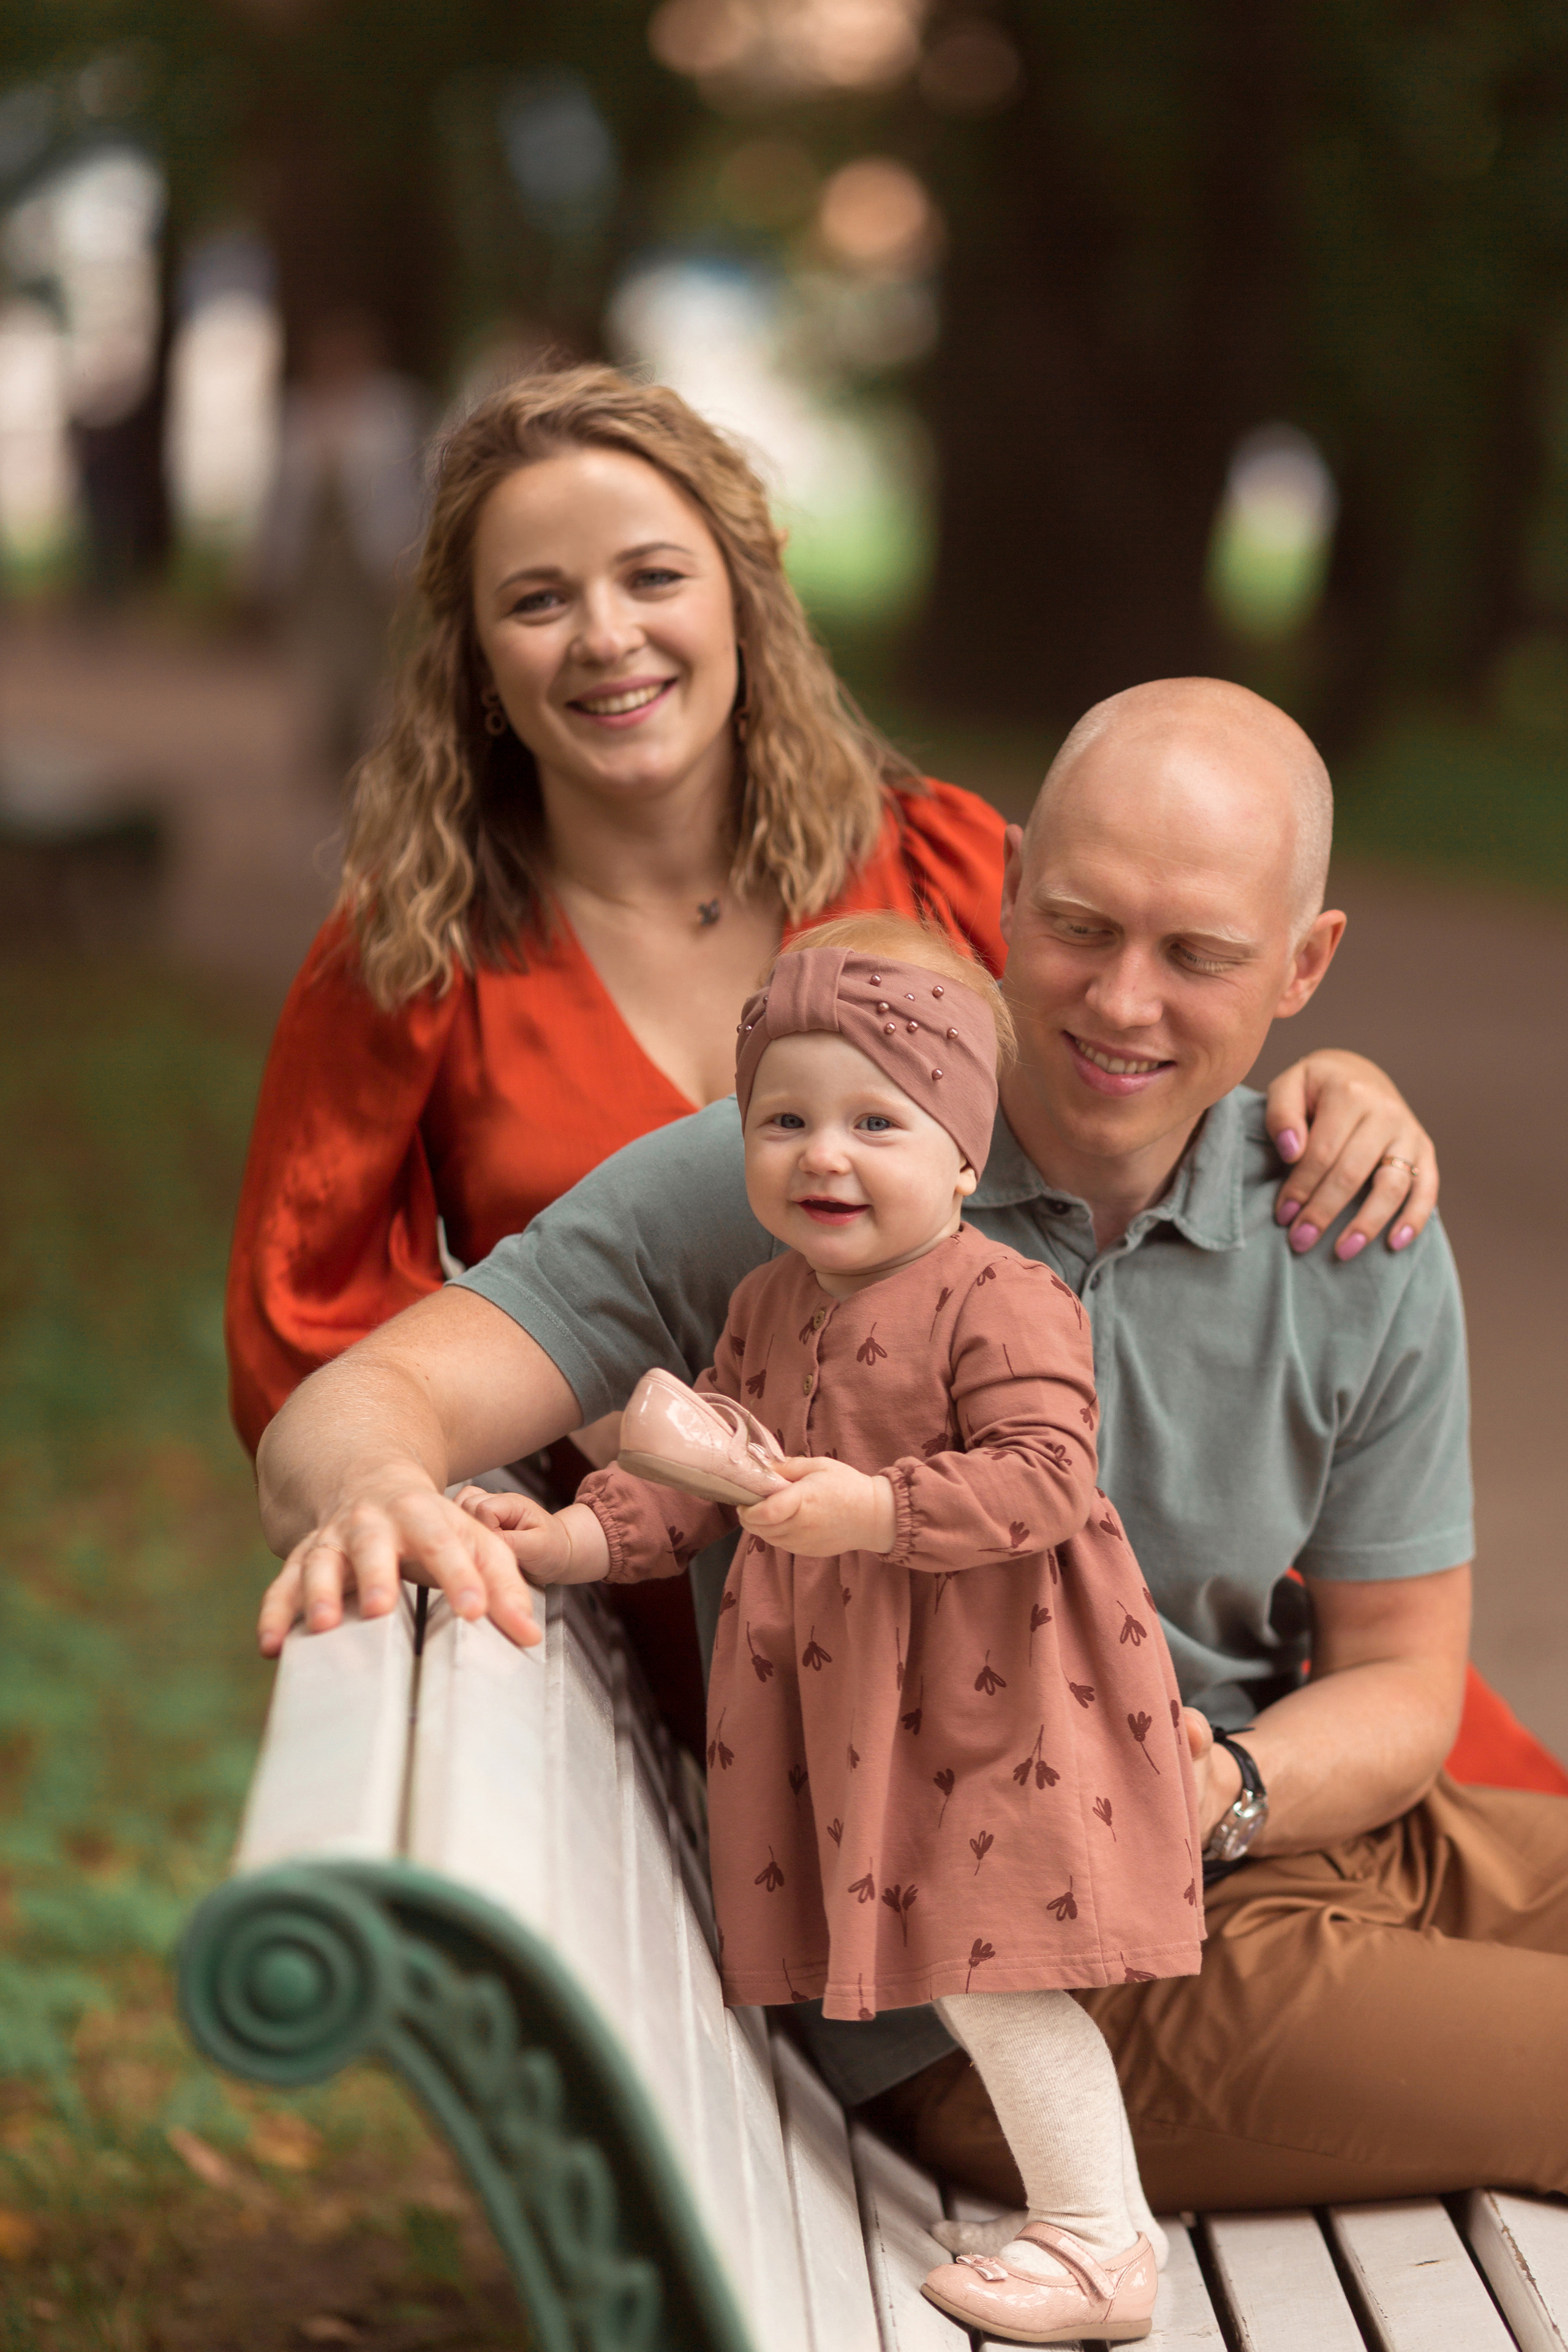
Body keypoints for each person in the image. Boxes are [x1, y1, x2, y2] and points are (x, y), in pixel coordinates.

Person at [253, 677, 1568, 2214]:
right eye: (1080, 926)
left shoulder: (1345, 1225)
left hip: (1279, 1826)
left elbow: (1402, 1677)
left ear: (1302, 963)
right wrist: (372, 1492)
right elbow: (357, 1405)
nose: (1120, 1002)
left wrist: (1233, 1790)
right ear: (1004, 891)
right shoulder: (818, 1160)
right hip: (1006, 1973)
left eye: (1196, 954)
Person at [227, 362, 1438, 1743]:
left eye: (652, 577)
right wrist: (420, 1473)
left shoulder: (933, 865)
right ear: (479, 658)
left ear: (744, 593)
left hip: (985, 1581)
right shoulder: (411, 951)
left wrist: (1338, 1093)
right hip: (635, 1589)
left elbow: (1144, 1046)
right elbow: (320, 1333)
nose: (606, 637)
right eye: (538, 599)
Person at [458, 913, 1202, 2339]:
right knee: (959, 1971)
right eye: (783, 1118)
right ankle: (1078, 2213)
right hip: (864, 1719)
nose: (824, 1155)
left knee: (993, 1975)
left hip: (995, 1708)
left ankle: (1103, 2245)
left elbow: (1047, 1479)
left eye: (877, 1118)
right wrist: (564, 1537)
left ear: (963, 1154)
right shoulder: (763, 1303)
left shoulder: (1001, 1296)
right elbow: (694, 1477)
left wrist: (872, 1510)